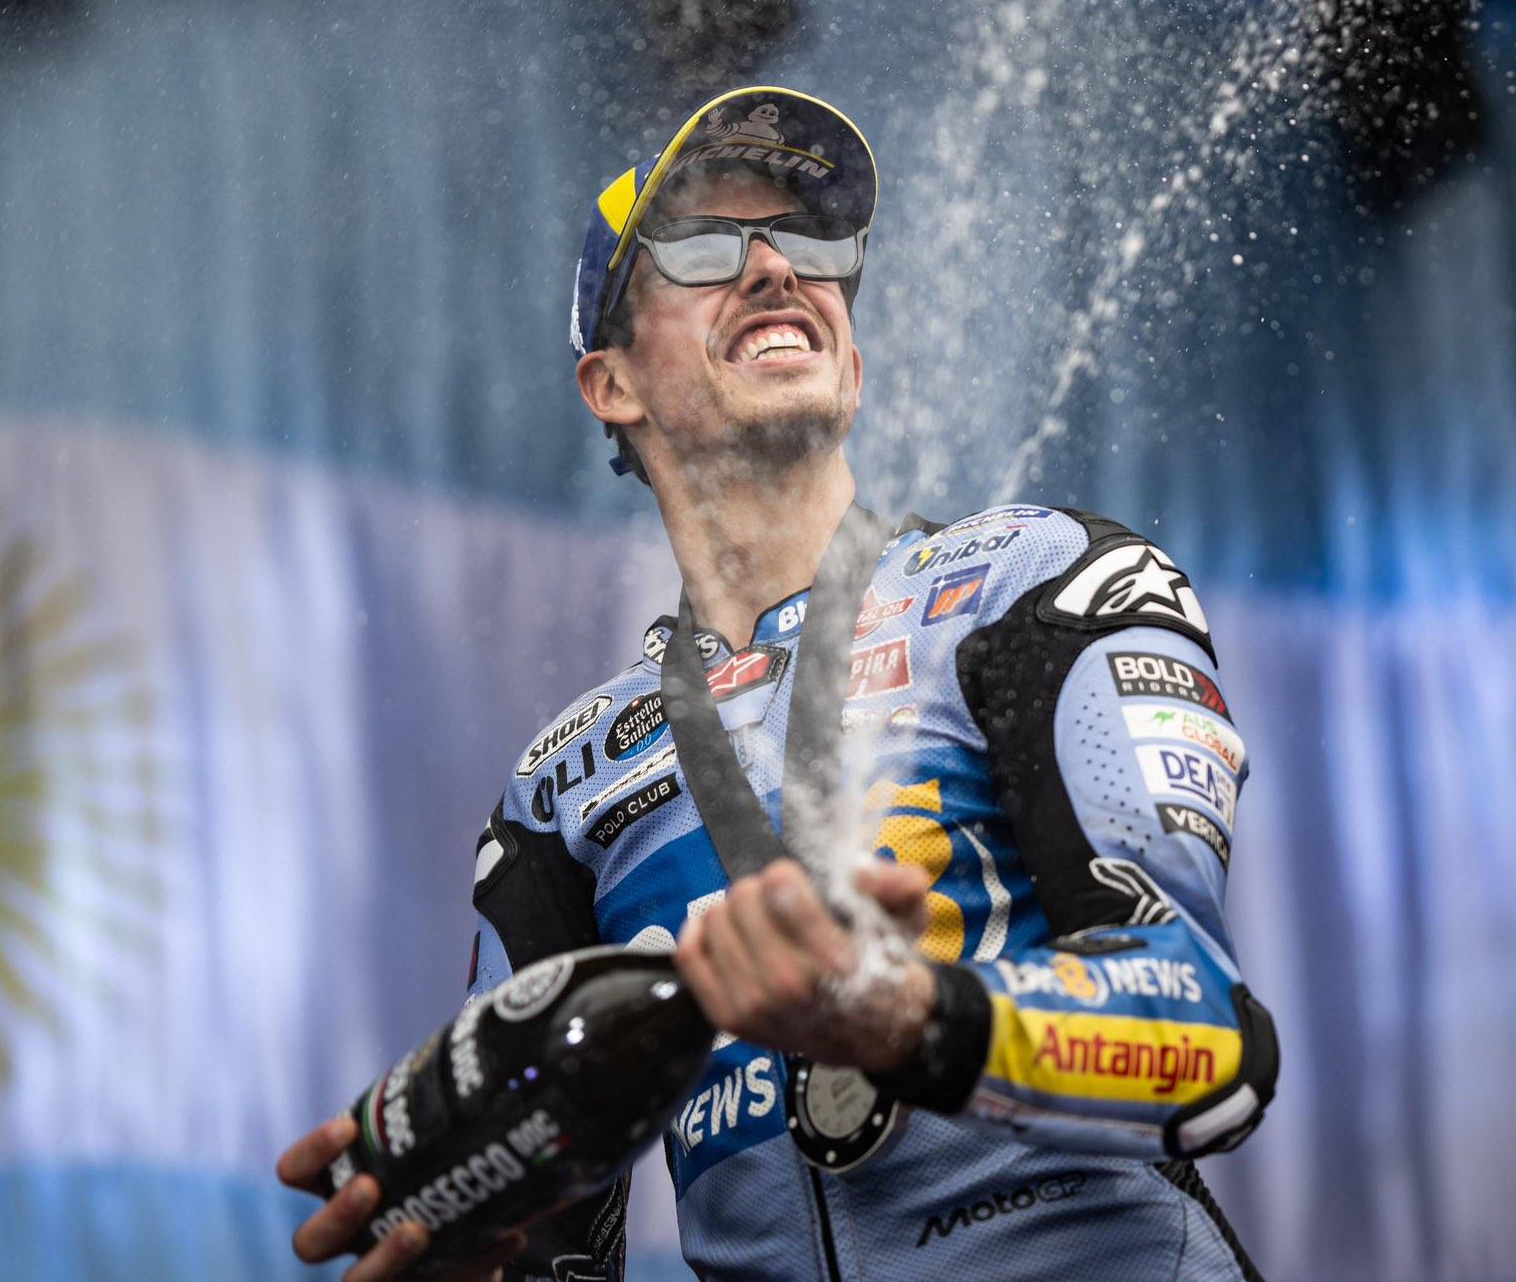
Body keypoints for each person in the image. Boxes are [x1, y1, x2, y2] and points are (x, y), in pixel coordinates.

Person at [277, 85, 1277, 1281]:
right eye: (704, 246)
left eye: (807, 245)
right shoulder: (563, 780)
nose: (773, 269)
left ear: (851, 356)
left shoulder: (1035, 579)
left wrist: (904, 1016)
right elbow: (548, 1246)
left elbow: (1206, 1039)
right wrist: (466, 1247)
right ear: (610, 382)